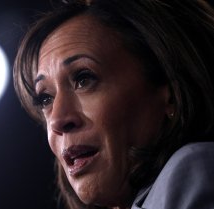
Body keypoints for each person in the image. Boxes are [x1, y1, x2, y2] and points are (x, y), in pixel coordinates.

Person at [13, 0, 214, 208]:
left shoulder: (191, 172)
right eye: (46, 98)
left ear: (172, 94)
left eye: (84, 79)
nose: (57, 120)